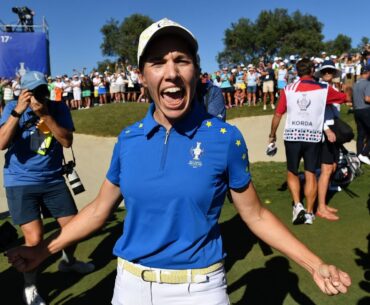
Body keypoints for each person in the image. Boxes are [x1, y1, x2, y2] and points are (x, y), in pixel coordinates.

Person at [8, 19, 351, 305]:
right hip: (130, 287)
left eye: (181, 59)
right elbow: (99, 209)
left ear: (196, 72)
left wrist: (313, 263)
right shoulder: (129, 139)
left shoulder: (224, 138)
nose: (170, 72)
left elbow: (256, 214)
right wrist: (43, 252)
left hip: (201, 289)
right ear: (142, 77)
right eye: (157, 62)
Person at [0, 71, 94, 305]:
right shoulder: (12, 107)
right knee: (34, 239)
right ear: (23, 92)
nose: (40, 95)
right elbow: (1, 143)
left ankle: (68, 262)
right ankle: (30, 287)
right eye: (33, 91)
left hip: (53, 180)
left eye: (43, 89)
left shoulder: (58, 108)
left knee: (74, 228)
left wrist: (45, 115)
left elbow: (66, 140)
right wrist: (17, 112)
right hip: (20, 181)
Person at [268, 58, 350, 225]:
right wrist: (346, 87)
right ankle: (310, 213)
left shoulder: (288, 89)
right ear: (313, 71)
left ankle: (298, 205)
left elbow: (278, 114)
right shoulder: (324, 89)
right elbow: (344, 98)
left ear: (297, 72)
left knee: (292, 171)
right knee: (310, 172)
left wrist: (272, 134)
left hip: (292, 135)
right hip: (312, 136)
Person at [314, 60, 343, 221]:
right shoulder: (320, 90)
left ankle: (323, 203)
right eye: (324, 71)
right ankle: (321, 207)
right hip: (325, 132)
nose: (327, 74)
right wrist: (326, 129)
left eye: (330, 71)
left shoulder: (331, 88)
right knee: (326, 170)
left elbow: (336, 113)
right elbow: (318, 114)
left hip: (333, 131)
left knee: (332, 167)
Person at [352, 64, 370, 165]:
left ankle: (359, 156)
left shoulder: (356, 83)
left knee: (361, 134)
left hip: (357, 111)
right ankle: (364, 153)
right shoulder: (368, 83)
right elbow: (367, 99)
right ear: (368, 72)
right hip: (366, 111)